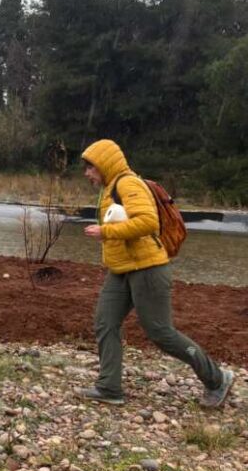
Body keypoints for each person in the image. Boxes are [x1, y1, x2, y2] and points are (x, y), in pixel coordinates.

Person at [78, 139, 233, 408]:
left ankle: (217, 379)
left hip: (148, 268)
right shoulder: (108, 188)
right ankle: (109, 387)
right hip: (121, 270)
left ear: (104, 164)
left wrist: (106, 231)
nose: (87, 174)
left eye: (90, 168)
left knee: (160, 332)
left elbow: (148, 222)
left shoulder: (128, 183)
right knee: (105, 322)